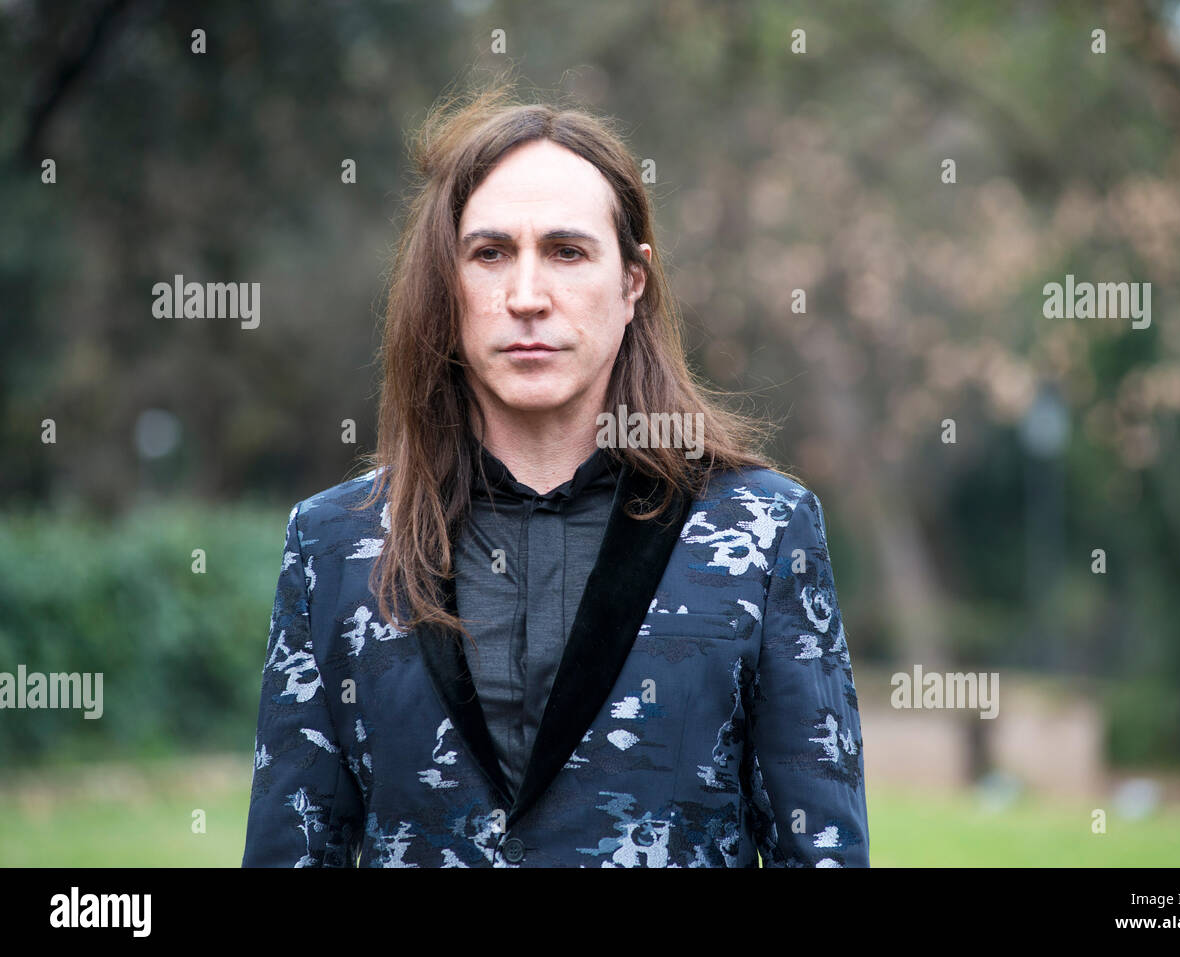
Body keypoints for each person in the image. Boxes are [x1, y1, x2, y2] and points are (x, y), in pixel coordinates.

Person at [240, 82, 869, 867]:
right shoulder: (333, 544)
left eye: (567, 252)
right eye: (491, 253)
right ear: (448, 281)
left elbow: (822, 852)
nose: (527, 296)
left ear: (633, 281)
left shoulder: (764, 530)